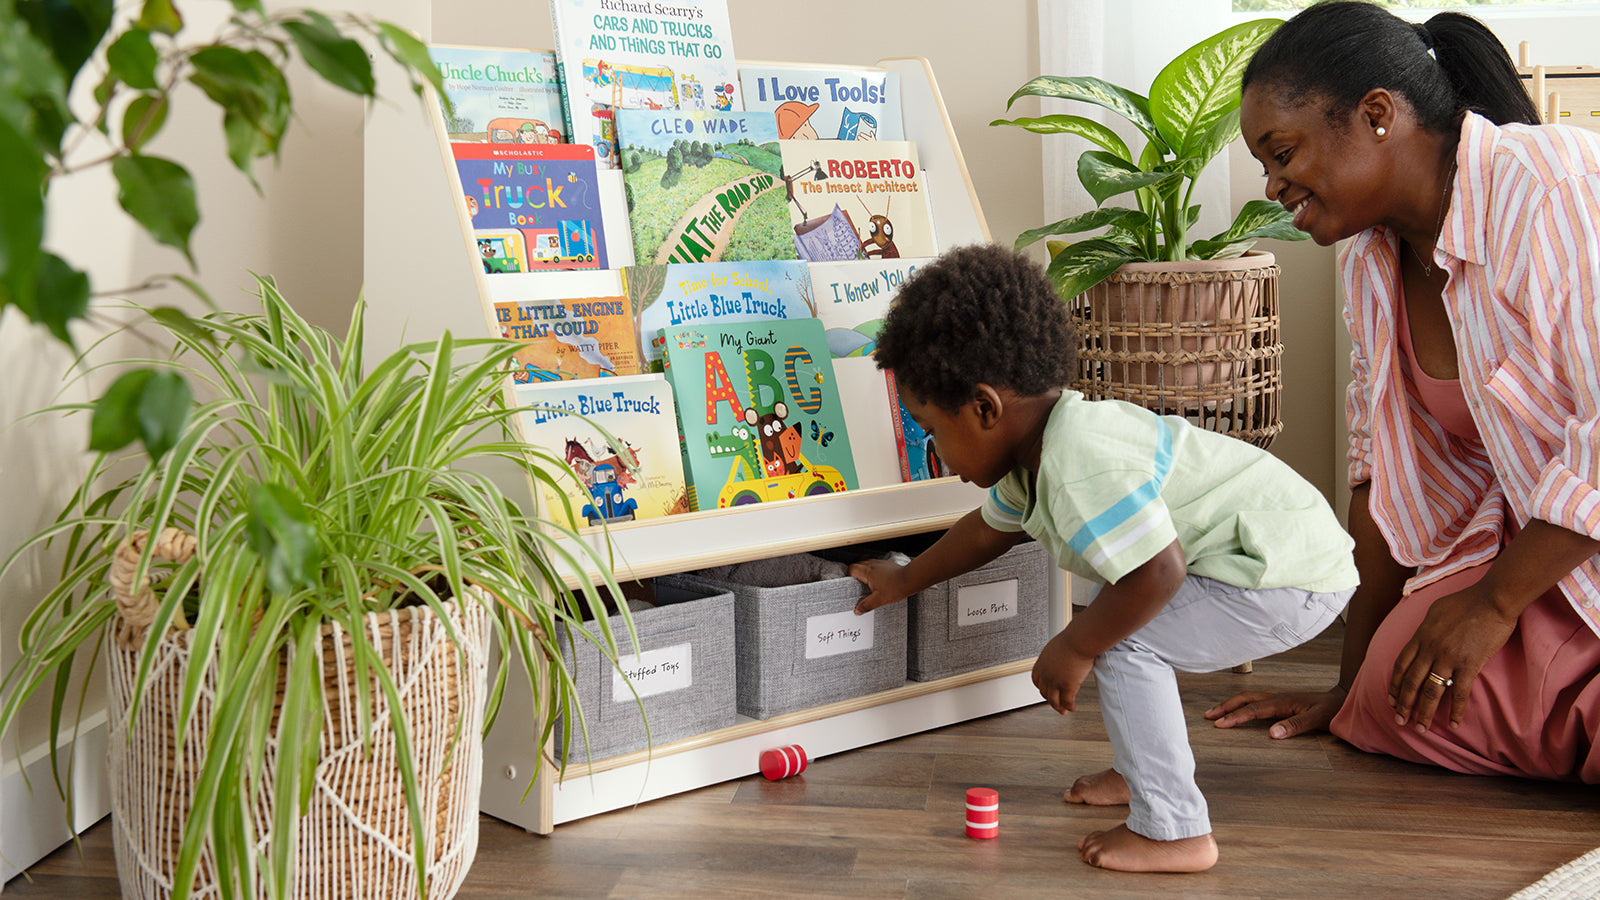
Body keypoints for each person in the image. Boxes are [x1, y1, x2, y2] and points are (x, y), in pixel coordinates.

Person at [849, 244, 1358, 872]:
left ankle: (1175, 830)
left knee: (1121, 639)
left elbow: (1157, 573)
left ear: (985, 408)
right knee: (1120, 631)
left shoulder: (1077, 462)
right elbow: (986, 532)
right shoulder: (1033, 456)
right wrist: (906, 579)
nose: (938, 454)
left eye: (934, 431)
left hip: (1284, 574)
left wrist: (1075, 644)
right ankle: (1140, 772)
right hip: (1257, 560)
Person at [1210, 0, 1600, 783]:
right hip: (1536, 548)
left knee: (1438, 680)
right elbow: (1382, 473)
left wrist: (1493, 606)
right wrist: (1347, 687)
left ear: (1377, 114)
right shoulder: (1370, 261)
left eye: (1282, 152)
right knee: (1393, 699)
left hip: (1568, 543)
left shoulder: (1551, 190)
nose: (1273, 184)